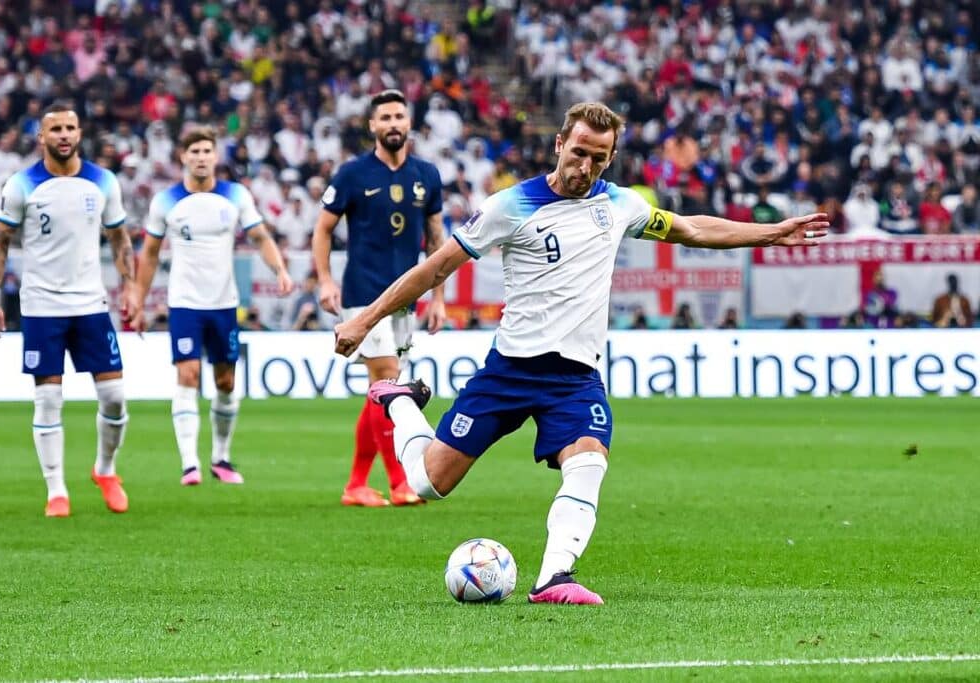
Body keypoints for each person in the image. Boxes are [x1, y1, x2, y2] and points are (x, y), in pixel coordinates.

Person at [334, 102, 829, 605]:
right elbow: (435, 268)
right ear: (559, 145)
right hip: (510, 371)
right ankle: (400, 400)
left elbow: (693, 229)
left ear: (610, 159)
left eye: (598, 158)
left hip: (575, 379)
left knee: (589, 460)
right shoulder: (512, 206)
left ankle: (554, 577)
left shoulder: (619, 205)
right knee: (428, 483)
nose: (584, 167)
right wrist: (365, 319)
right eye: (577, 153)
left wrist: (772, 233)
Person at [0, 103, 137, 518]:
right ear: (42, 137)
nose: (64, 135)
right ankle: (56, 491)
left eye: (70, 127)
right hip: (41, 306)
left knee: (115, 396)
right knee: (48, 399)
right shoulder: (22, 184)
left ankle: (105, 470)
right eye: (56, 129)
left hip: (90, 304)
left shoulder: (103, 181)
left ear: (80, 133)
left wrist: (131, 287)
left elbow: (119, 239)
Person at [128, 127, 294, 486]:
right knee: (187, 375)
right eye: (195, 152)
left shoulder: (235, 195)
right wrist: (138, 300)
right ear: (183, 157)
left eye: (206, 151)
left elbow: (260, 236)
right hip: (185, 303)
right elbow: (150, 254)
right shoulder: (166, 201)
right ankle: (190, 464)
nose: (201, 157)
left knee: (225, 381)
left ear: (215, 156)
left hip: (223, 303)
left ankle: (221, 457)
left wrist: (280, 269)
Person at [312, 89, 446, 508]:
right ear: (372, 125)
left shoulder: (427, 175)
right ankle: (400, 482)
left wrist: (438, 298)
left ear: (409, 122)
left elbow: (437, 241)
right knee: (388, 378)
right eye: (384, 117)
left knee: (381, 389)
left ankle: (356, 484)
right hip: (363, 296)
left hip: (407, 298)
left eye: (398, 116)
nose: (392, 124)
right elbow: (322, 230)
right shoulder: (352, 174)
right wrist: (325, 281)